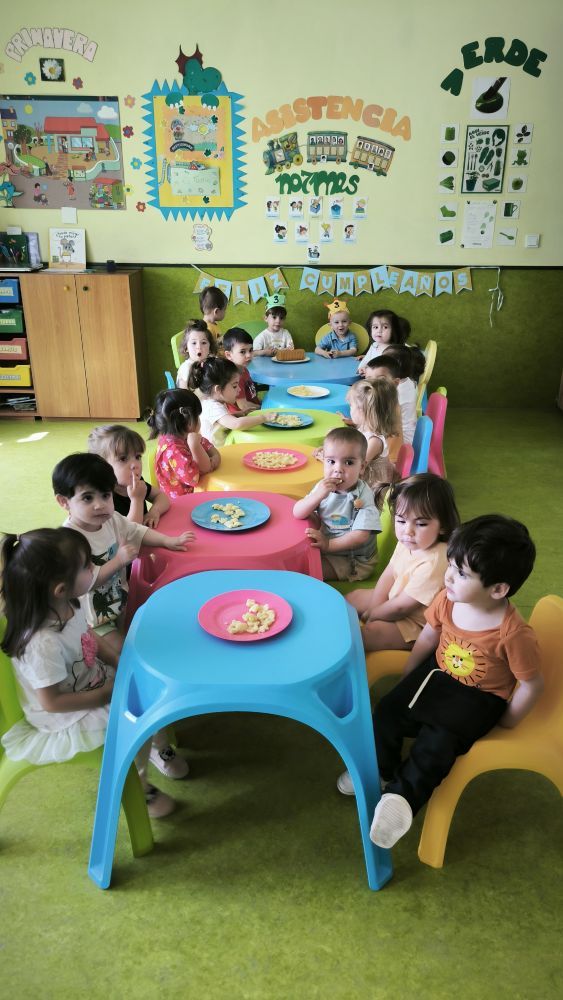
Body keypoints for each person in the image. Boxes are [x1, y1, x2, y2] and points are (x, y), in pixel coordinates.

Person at [368, 514, 543, 850]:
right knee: (387, 711)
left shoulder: (513, 634)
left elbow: (532, 683)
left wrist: (508, 720)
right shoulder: (448, 598)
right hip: (437, 674)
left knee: (437, 744)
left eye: (461, 573)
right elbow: (429, 636)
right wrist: (409, 675)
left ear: (498, 589)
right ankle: (382, 771)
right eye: (450, 564)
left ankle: (401, 798)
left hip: (480, 696)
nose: (448, 575)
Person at [0, 528, 175, 818]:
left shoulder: (69, 603)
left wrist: (116, 659)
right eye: (86, 566)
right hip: (65, 714)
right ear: (60, 589)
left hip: (89, 681)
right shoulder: (42, 643)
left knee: (147, 683)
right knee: (137, 710)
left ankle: (159, 748)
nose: (94, 568)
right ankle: (138, 784)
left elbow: (88, 636)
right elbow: (52, 702)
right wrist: (106, 694)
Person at [53, 453, 194, 781]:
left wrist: (169, 541)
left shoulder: (111, 520)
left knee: (158, 654)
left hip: (122, 609)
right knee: (137, 673)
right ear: (64, 502)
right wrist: (117, 563)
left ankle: (162, 723)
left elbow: (136, 532)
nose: (100, 505)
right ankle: (156, 746)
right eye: (87, 498)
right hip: (93, 624)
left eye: (104, 495)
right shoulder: (67, 541)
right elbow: (79, 586)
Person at [293, 427, 381, 581]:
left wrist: (328, 545)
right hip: (326, 545)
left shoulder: (363, 496)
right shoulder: (323, 486)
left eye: (348, 462)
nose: (338, 469)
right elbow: (297, 512)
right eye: (331, 461)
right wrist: (318, 496)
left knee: (307, 571)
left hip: (353, 560)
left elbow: (360, 536)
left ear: (362, 467)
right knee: (293, 557)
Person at [87, 424, 170, 528]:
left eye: (137, 457)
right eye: (123, 459)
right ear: (102, 465)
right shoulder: (104, 497)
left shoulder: (136, 483)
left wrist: (154, 511)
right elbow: (129, 531)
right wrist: (137, 500)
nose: (135, 464)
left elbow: (161, 496)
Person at [147, 388, 221, 498]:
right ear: (188, 419)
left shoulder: (186, 435)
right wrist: (195, 446)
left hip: (196, 492)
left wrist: (214, 458)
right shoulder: (174, 450)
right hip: (181, 503)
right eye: (197, 416)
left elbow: (212, 450)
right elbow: (198, 475)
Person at [188, 357, 269, 448]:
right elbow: (236, 424)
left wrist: (238, 414)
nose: (239, 389)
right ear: (218, 389)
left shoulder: (214, 402)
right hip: (219, 452)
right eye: (234, 386)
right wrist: (264, 418)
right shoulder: (212, 407)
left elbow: (221, 420)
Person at [344, 379, 401, 501]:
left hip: (372, 492)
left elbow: (358, 466)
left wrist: (330, 458)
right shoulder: (365, 429)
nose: (350, 409)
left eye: (351, 405)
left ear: (363, 410)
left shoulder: (374, 441)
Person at [366, 344, 425, 445]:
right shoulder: (408, 381)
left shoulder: (394, 392)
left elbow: (378, 421)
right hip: (409, 435)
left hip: (401, 440)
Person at [357, 310, 411, 375]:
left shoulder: (393, 351)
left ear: (394, 330)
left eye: (385, 327)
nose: (379, 331)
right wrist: (361, 367)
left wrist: (368, 371)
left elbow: (385, 372)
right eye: (375, 327)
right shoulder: (374, 345)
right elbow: (366, 359)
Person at [222, 327, 260, 413]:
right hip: (245, 415)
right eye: (242, 352)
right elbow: (243, 406)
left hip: (254, 409)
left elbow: (252, 395)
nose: (249, 355)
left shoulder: (244, 369)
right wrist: (263, 408)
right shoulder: (235, 377)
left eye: (250, 350)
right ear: (228, 355)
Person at [176, 319, 216, 389]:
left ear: (210, 347)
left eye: (203, 343)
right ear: (186, 348)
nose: (199, 347)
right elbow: (182, 393)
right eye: (194, 343)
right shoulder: (186, 368)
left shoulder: (211, 364)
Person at [199, 286, 228, 350]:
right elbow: (208, 350)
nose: (225, 312)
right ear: (216, 311)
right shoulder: (207, 329)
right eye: (224, 309)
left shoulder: (212, 324)